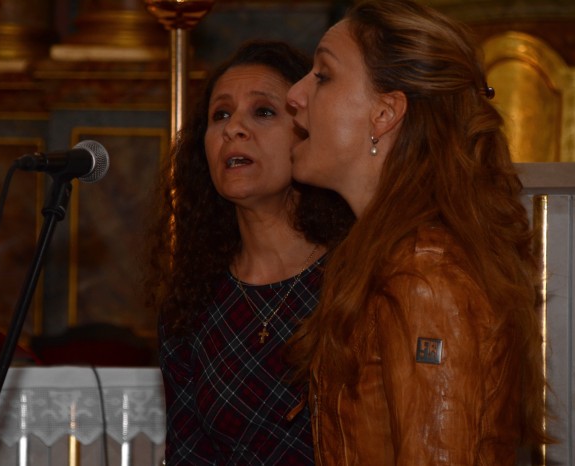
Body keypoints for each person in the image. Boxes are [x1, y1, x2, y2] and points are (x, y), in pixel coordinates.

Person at [285, 0, 552, 464]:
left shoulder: (426, 276)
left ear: (385, 113)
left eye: (323, 76)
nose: (294, 94)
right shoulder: (387, 258)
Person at [145, 40, 354, 464]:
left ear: (309, 131)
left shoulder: (356, 276)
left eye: (263, 111)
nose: (233, 129)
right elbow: (189, 455)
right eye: (221, 115)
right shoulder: (193, 300)